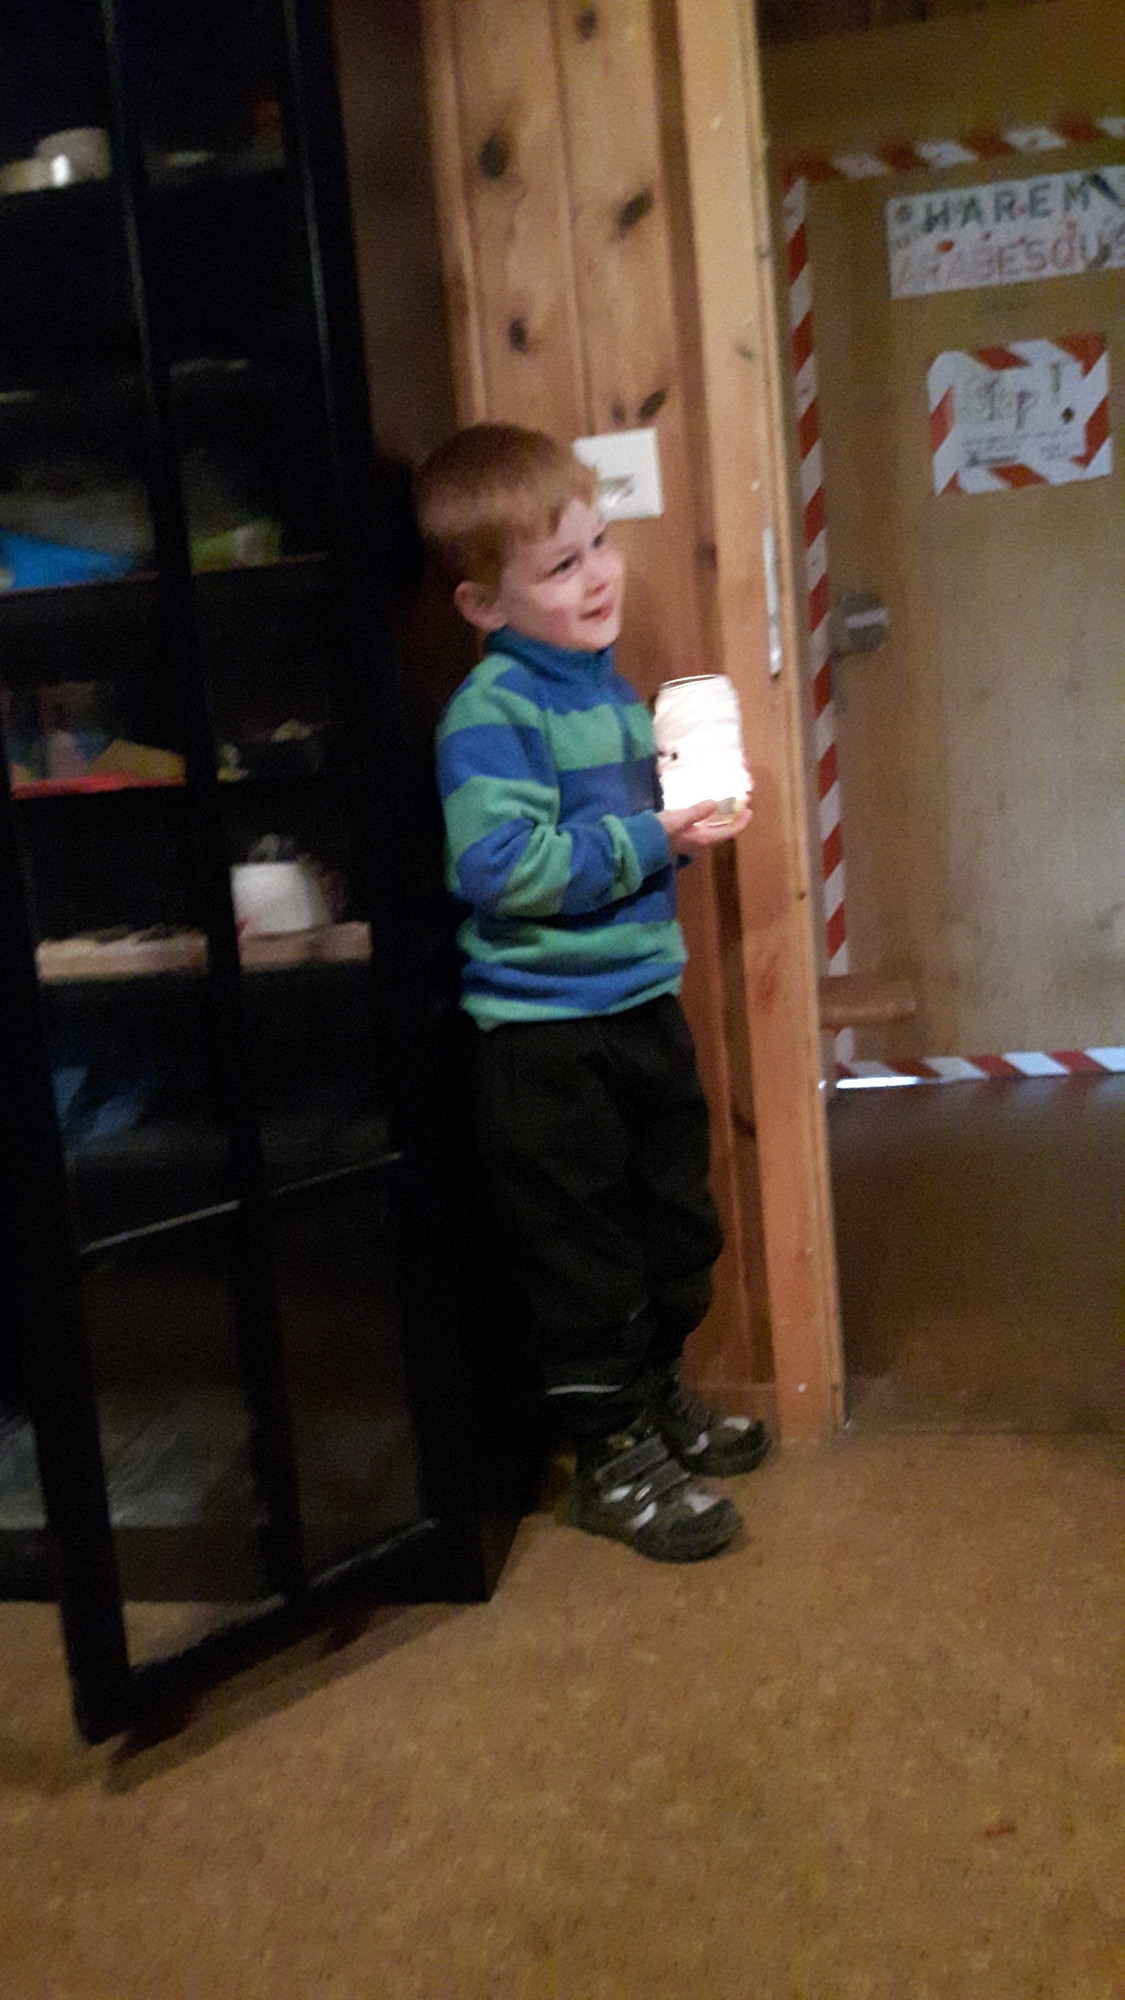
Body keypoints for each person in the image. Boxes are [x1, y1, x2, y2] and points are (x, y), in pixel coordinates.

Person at [415, 423, 769, 1563]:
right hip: (544, 1040)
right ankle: (612, 1456)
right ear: (484, 604)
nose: (599, 573)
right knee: (583, 1258)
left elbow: (613, 853)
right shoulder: (493, 712)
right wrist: (652, 836)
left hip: (636, 1008)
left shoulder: (613, 697)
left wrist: (683, 835)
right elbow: (500, 869)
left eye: (599, 543)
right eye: (562, 564)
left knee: (671, 1222)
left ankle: (656, 1403)